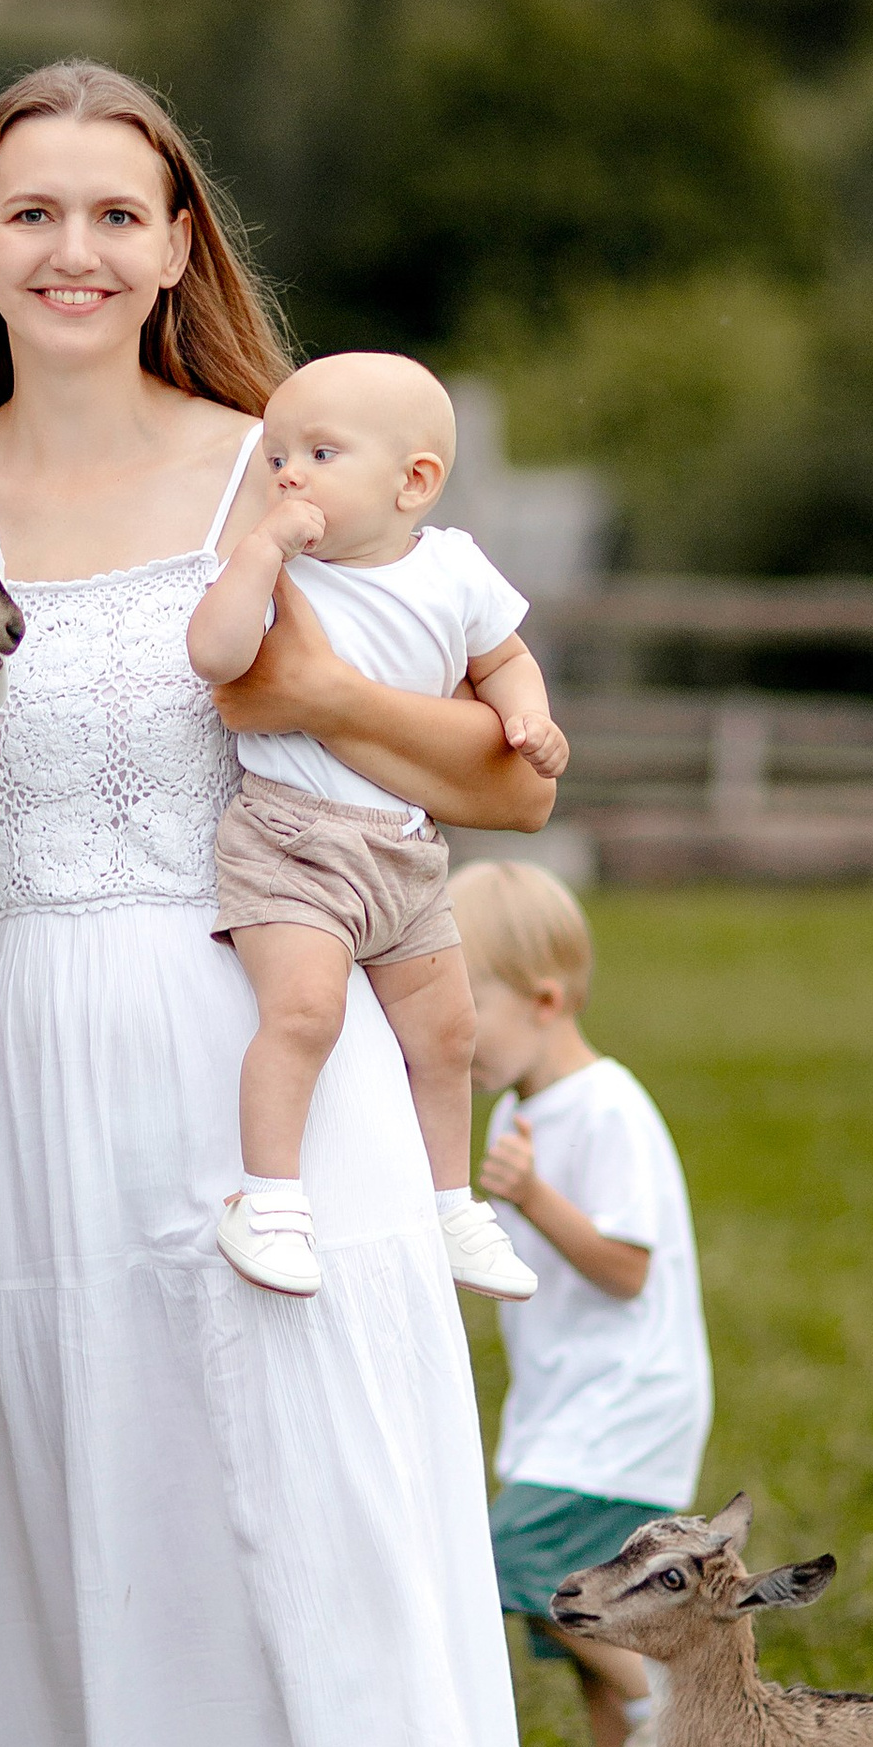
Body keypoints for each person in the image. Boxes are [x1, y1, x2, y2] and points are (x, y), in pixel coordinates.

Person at [0, 60, 550, 1747]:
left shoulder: (290, 461)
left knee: (331, 1552)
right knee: (186, 1580)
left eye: (115, 211)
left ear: (177, 243)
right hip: (30, 1083)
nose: (72, 248)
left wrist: (326, 686)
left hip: (262, 1036)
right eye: (30, 212)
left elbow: (496, 789)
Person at [186, 350, 562, 1303]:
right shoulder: (284, 573)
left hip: (403, 846)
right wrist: (260, 554)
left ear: (415, 482)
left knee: (449, 1031)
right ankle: (268, 1197)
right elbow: (214, 655)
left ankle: (450, 1204)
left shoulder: (455, 569)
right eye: (276, 457)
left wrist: (528, 716)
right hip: (292, 841)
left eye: (320, 453)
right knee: (306, 1010)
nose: (288, 475)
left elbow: (504, 656)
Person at [452, 859, 713, 1747]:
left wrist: (538, 1199)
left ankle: (666, 1715)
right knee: (581, 1634)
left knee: (518, 1561)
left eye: (468, 999)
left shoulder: (605, 1106)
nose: (455, 1025)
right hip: (565, 1404)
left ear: (546, 998)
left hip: (623, 1402)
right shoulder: (523, 1114)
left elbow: (625, 1262)